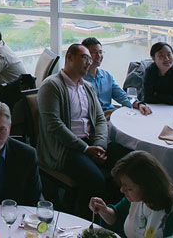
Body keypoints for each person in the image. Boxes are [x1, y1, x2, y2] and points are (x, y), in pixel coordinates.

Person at [37, 43, 108, 217]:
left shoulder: (88, 87)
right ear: (69, 57)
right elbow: (54, 125)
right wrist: (86, 149)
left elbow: (100, 119)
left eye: (90, 60)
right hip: (64, 148)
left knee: (124, 165)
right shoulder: (52, 86)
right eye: (85, 58)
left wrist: (99, 145)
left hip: (89, 143)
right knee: (95, 179)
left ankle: (109, 218)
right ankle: (83, 222)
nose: (89, 63)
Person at [89, 151, 173, 238]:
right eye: (122, 185)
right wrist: (104, 210)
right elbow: (116, 217)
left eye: (129, 188)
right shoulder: (136, 199)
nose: (122, 190)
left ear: (147, 186)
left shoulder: (172, 212)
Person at [82, 37, 151, 117]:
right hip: (92, 118)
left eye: (100, 52)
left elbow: (121, 96)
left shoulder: (106, 76)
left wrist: (138, 104)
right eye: (94, 52)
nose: (98, 56)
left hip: (110, 113)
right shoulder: (79, 80)